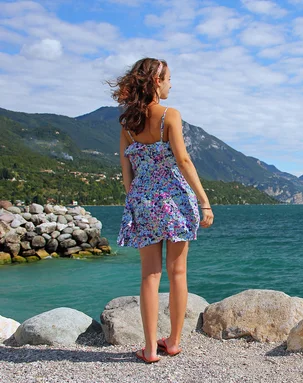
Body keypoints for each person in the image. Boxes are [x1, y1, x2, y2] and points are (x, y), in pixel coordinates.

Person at [110, 57, 214, 363]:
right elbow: (183, 161)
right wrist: (204, 200)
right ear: (156, 81)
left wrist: (136, 201)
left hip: (143, 202)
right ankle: (173, 341)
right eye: (168, 78)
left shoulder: (128, 123)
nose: (171, 83)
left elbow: (125, 169)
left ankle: (150, 348)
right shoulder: (170, 115)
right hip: (175, 201)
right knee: (178, 272)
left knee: (149, 276)